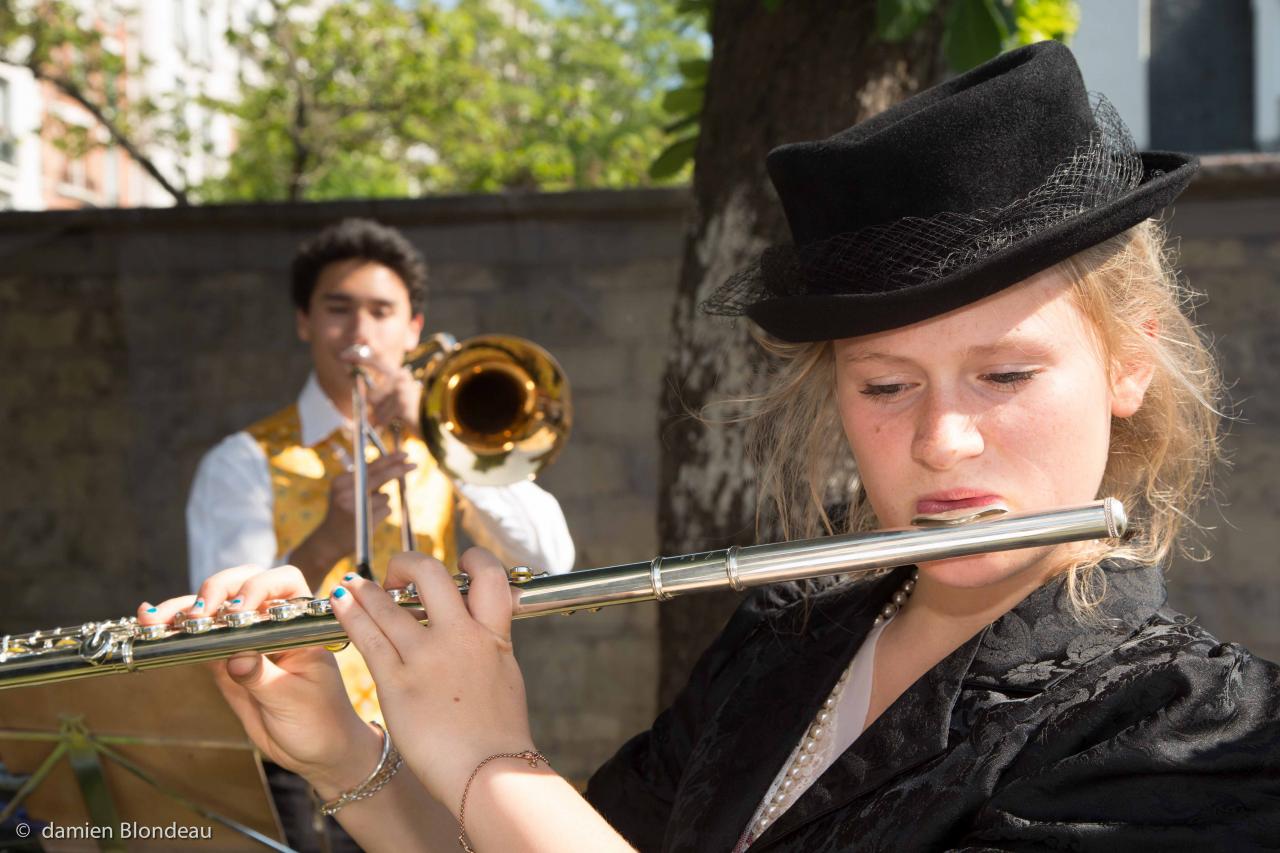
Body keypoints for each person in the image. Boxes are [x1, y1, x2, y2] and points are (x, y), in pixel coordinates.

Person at [148, 42, 1279, 851]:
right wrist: (346, 753)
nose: (940, 437)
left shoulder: (1190, 734)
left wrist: (495, 759)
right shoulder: (783, 641)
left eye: (1005, 372)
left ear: (1127, 361)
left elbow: (512, 808)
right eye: (883, 383)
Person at [181, 217, 575, 850]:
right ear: (304, 321)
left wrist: (445, 446)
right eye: (338, 310)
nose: (360, 333)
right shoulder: (242, 460)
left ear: (412, 328)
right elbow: (227, 629)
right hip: (305, 753)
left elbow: (551, 559)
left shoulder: (446, 443)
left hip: (447, 736)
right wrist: (330, 535)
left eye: (381, 311)